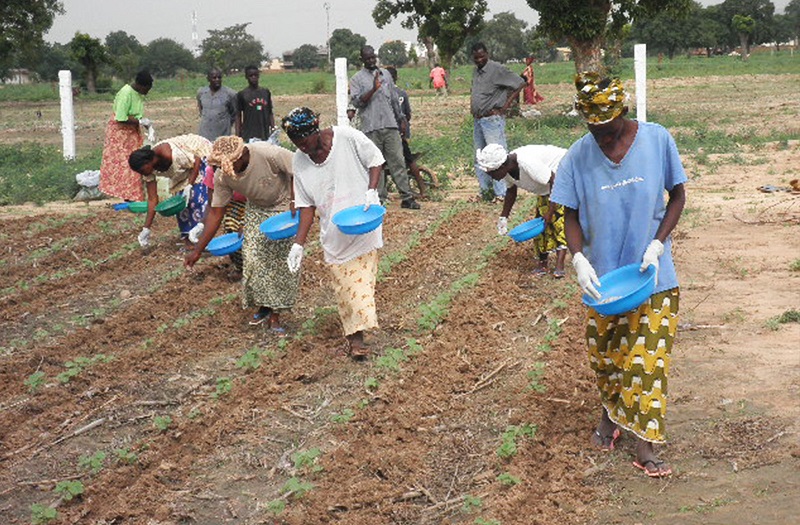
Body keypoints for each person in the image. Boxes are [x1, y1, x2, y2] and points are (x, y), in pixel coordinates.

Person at [550, 72, 687, 478]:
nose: (603, 141)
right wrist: (578, 258)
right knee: (607, 359)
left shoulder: (657, 139)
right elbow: (569, 212)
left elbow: (677, 194)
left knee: (647, 362)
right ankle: (611, 416)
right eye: (595, 133)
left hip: (652, 275)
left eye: (609, 132)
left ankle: (646, 444)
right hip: (606, 283)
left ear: (622, 113)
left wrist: (659, 241)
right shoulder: (577, 155)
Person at [281, 107, 384, 358]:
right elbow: (306, 206)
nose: (302, 148)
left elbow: (376, 159)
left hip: (362, 222)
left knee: (358, 283)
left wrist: (371, 190)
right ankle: (354, 335)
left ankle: (357, 341)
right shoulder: (299, 160)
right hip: (333, 233)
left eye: (304, 141)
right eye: (296, 143)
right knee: (343, 288)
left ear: (315, 131)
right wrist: (299, 244)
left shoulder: (347, 138)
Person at [185, 136, 298, 331]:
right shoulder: (223, 176)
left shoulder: (268, 153)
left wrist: (296, 201)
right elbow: (215, 213)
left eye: (227, 164)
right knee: (253, 259)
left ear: (240, 156)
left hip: (283, 205)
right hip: (256, 208)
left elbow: (299, 169)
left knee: (278, 262)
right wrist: (197, 250)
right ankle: (264, 304)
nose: (224, 170)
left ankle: (276, 314)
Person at [476, 143, 568, 278]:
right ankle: (543, 263)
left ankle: (560, 266)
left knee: (557, 221)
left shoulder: (527, 163)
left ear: (501, 166)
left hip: (562, 179)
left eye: (491, 173)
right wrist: (504, 217)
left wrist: (550, 211)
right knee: (541, 222)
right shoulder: (507, 170)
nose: (491, 177)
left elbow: (554, 181)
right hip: (547, 188)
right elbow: (511, 192)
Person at [349, 45, 420, 210]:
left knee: (398, 161)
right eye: (368, 58)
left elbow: (394, 99)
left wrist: (401, 119)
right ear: (362, 60)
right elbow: (357, 102)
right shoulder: (356, 79)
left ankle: (407, 197)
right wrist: (373, 89)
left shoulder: (386, 74)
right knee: (376, 164)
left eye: (373, 57)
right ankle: (380, 200)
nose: (372, 61)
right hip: (371, 128)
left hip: (390, 125)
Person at [128, 134, 212, 248]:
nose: (142, 174)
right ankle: (189, 242)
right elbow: (152, 199)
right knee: (180, 203)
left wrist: (190, 185)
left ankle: (203, 239)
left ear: (148, 162)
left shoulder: (170, 155)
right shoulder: (148, 171)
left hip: (199, 153)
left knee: (197, 198)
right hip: (185, 168)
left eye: (142, 170)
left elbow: (196, 161)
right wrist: (146, 228)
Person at [470, 42, 525, 202]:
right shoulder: (476, 71)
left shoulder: (497, 69)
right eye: (476, 57)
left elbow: (520, 83)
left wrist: (506, 106)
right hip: (478, 120)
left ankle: (501, 193)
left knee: (497, 157)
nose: (479, 60)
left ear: (487, 54)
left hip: (492, 119)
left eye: (482, 56)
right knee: (480, 157)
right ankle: (486, 192)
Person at [99, 70, 153, 202]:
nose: (147, 92)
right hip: (120, 134)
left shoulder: (138, 94)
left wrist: (148, 126)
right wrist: (140, 121)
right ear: (141, 85)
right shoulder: (126, 93)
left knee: (136, 161)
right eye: (147, 88)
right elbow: (121, 118)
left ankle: (133, 195)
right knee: (125, 164)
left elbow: (135, 113)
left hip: (131, 132)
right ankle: (127, 196)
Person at [386, 66, 427, 199]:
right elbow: (408, 114)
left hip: (390, 133)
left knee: (386, 162)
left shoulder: (384, 94)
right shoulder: (402, 93)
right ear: (397, 77)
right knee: (409, 160)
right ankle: (422, 189)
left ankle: (403, 191)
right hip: (402, 132)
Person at [235, 65, 275, 143]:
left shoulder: (265, 92)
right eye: (251, 75)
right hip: (249, 135)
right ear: (246, 77)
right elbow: (238, 116)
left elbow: (270, 112)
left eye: (255, 75)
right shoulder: (242, 94)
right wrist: (237, 135)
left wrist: (273, 128)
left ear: (258, 76)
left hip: (264, 133)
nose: (253, 77)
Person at [197, 68, 237, 141]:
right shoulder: (201, 92)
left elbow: (234, 113)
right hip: (204, 135)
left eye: (219, 77)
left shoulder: (230, 94)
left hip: (222, 135)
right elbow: (201, 109)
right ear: (208, 79)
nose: (217, 80)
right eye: (214, 78)